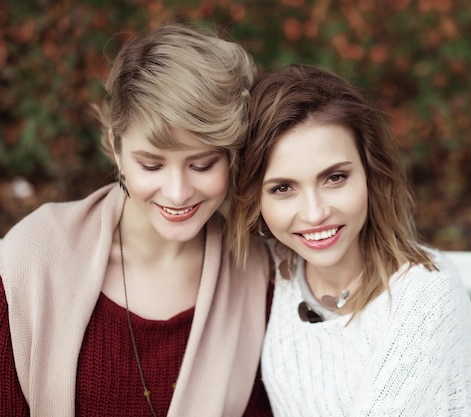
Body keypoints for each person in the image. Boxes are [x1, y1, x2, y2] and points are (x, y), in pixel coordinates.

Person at [0, 24, 273, 416]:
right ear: (116, 147)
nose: (177, 193)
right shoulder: (31, 260)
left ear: (233, 155)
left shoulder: (260, 278)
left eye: (202, 164)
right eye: (152, 164)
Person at [231, 64, 471, 416]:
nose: (315, 213)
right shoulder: (274, 271)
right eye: (283, 188)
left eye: (334, 178)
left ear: (370, 172)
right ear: (255, 198)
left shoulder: (426, 291)